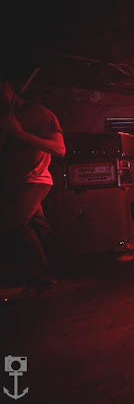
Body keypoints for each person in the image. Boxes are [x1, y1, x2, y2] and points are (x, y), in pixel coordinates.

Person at [0, 78, 65, 293]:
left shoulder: (40, 114)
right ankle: (62, 267)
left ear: (8, 85)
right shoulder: (4, 115)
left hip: (34, 180)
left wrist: (20, 134)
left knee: (14, 225)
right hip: (12, 183)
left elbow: (59, 149)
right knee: (40, 226)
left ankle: (41, 280)